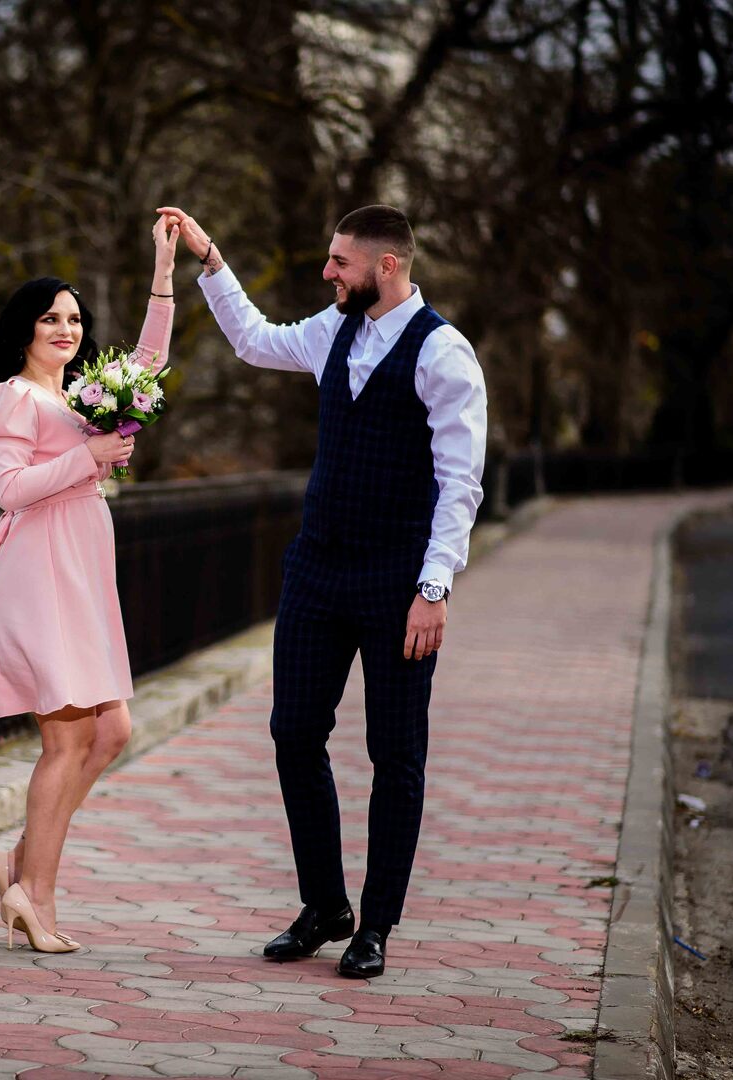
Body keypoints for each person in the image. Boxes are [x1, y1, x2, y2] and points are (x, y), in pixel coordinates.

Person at [157, 203, 487, 978]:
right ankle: (324, 906)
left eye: (341, 262)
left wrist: (434, 588)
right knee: (294, 733)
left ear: (388, 266)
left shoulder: (445, 353)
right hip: (316, 570)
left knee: (394, 754)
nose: (328, 272)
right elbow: (254, 339)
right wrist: (210, 260)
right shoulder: (332, 330)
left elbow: (461, 482)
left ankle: (375, 924)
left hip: (398, 582)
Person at [0, 214, 180, 953]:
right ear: (24, 328)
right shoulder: (14, 397)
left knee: (111, 729)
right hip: (37, 569)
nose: (66, 327)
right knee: (66, 739)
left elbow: (146, 368)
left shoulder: (82, 396)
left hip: (81, 564)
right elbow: (9, 490)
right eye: (51, 317)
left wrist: (162, 278)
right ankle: (36, 896)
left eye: (75, 319)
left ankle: (18, 864)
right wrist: (92, 460)